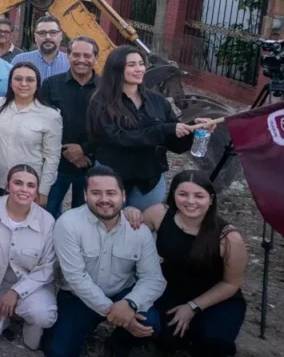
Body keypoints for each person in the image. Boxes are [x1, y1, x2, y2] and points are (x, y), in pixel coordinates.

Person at [43, 167, 165, 357]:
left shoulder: (138, 229)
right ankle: (87, 326)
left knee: (150, 324)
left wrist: (130, 303)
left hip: (122, 294)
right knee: (58, 352)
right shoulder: (68, 224)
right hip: (78, 297)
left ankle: (118, 343)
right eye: (96, 193)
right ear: (84, 195)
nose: (104, 199)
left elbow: (154, 278)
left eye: (111, 193)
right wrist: (115, 313)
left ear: (123, 196)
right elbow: (76, 278)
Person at [133, 170, 247, 356]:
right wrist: (132, 213)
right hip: (171, 287)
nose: (190, 201)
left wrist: (193, 306)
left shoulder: (228, 238)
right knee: (162, 335)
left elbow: (231, 283)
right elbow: (131, 239)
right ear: (173, 195)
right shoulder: (159, 214)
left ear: (210, 199)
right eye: (183, 194)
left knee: (212, 341)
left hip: (215, 296)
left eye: (199, 196)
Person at [88, 45, 196, 211]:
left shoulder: (158, 101)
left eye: (141, 64)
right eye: (132, 65)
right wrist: (165, 130)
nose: (139, 69)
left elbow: (176, 145)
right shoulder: (101, 102)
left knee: (144, 228)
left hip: (149, 180)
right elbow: (118, 138)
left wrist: (192, 130)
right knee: (107, 226)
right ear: (116, 69)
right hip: (111, 178)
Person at [0, 164, 58, 350]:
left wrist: (16, 292)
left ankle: (22, 315)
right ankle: (6, 316)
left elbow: (47, 267)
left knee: (43, 315)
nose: (24, 189)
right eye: (18, 183)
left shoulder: (47, 221)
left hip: (29, 288)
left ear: (36, 191)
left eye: (31, 186)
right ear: (7, 186)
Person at [0, 62, 62, 204]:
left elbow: (52, 157)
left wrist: (43, 191)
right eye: (18, 79)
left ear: (38, 84)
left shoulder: (50, 115)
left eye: (30, 80)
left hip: (28, 186)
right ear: (10, 82)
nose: (23, 84)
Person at [39, 37, 100, 218]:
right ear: (68, 57)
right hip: (57, 164)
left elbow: (109, 127)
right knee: (46, 214)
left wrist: (84, 150)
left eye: (87, 55)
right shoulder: (51, 84)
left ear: (96, 59)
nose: (81, 59)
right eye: (76, 54)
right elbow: (44, 122)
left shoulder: (106, 88)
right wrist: (68, 150)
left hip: (92, 163)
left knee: (85, 218)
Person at [13, 16, 70, 82]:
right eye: (42, 33)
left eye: (53, 32)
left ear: (61, 36)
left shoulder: (70, 63)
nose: (48, 37)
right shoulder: (20, 60)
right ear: (35, 37)